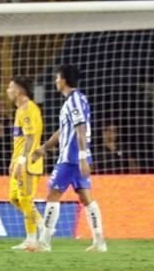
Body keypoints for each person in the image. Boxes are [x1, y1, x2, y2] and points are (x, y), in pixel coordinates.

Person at [30, 65, 107, 252]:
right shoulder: (73, 101)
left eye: (57, 78)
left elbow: (81, 127)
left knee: (53, 195)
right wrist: (44, 148)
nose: (55, 81)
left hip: (70, 158)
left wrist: (81, 156)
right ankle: (99, 241)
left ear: (64, 80)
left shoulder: (74, 100)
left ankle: (44, 242)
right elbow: (63, 131)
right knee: (86, 197)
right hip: (75, 157)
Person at [6, 76, 44, 251]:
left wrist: (22, 160)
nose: (8, 90)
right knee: (14, 198)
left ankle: (32, 240)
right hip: (19, 160)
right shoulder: (20, 110)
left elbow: (30, 137)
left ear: (19, 90)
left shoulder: (28, 108)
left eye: (10, 87)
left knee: (26, 199)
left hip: (28, 163)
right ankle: (44, 228)